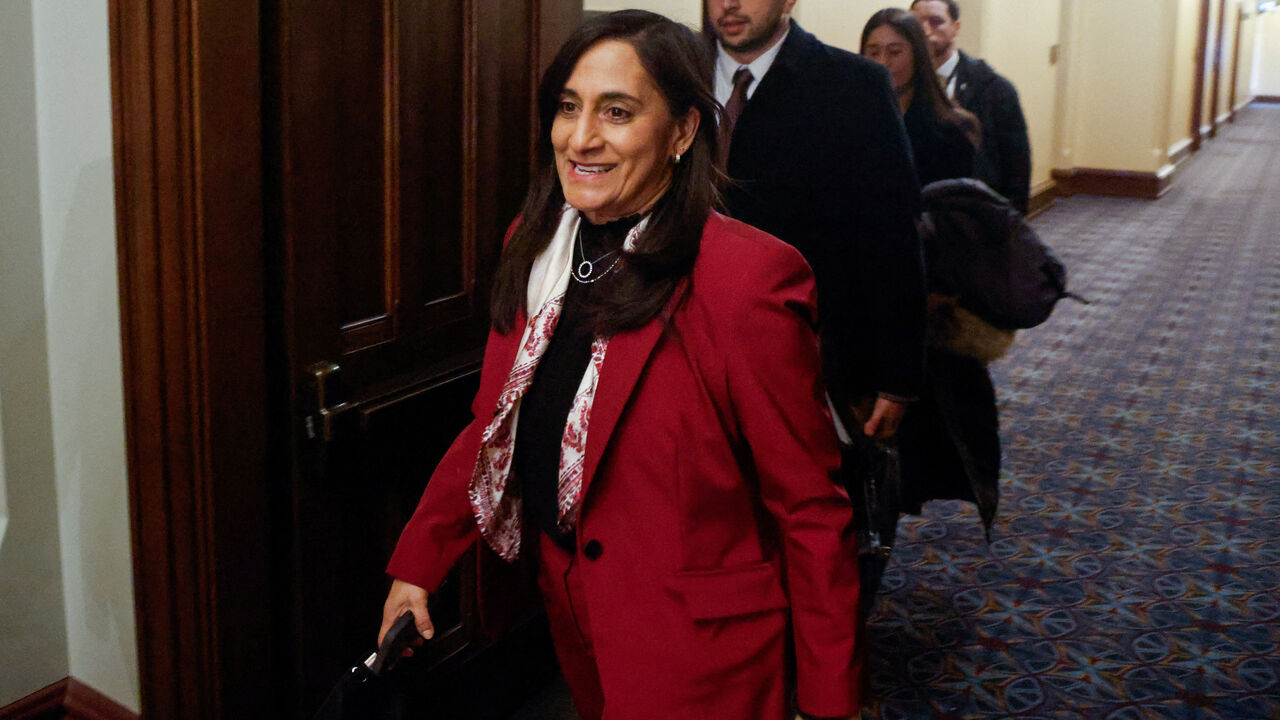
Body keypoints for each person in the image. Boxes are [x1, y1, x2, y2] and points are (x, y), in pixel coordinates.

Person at [379, 11, 864, 720]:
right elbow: (495, 423)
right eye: (568, 107)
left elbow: (810, 508)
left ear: (682, 132)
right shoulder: (536, 245)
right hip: (574, 611)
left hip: (702, 650)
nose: (581, 138)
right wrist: (419, 564)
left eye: (617, 112)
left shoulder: (745, 280)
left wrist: (828, 701)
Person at [707, 0, 926, 443]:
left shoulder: (852, 85)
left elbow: (890, 236)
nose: (729, 3)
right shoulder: (673, 75)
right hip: (687, 346)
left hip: (807, 352)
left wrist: (896, 375)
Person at [911, 0, 1032, 213]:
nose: (926, 30)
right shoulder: (902, 83)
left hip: (977, 211)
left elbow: (1016, 163)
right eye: (917, 23)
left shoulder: (994, 88)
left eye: (936, 21)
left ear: (956, 27)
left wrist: (1012, 218)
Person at [860, 8, 979, 186]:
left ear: (918, 56)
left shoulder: (951, 130)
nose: (882, 62)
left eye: (895, 52)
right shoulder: (853, 121)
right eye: (873, 53)